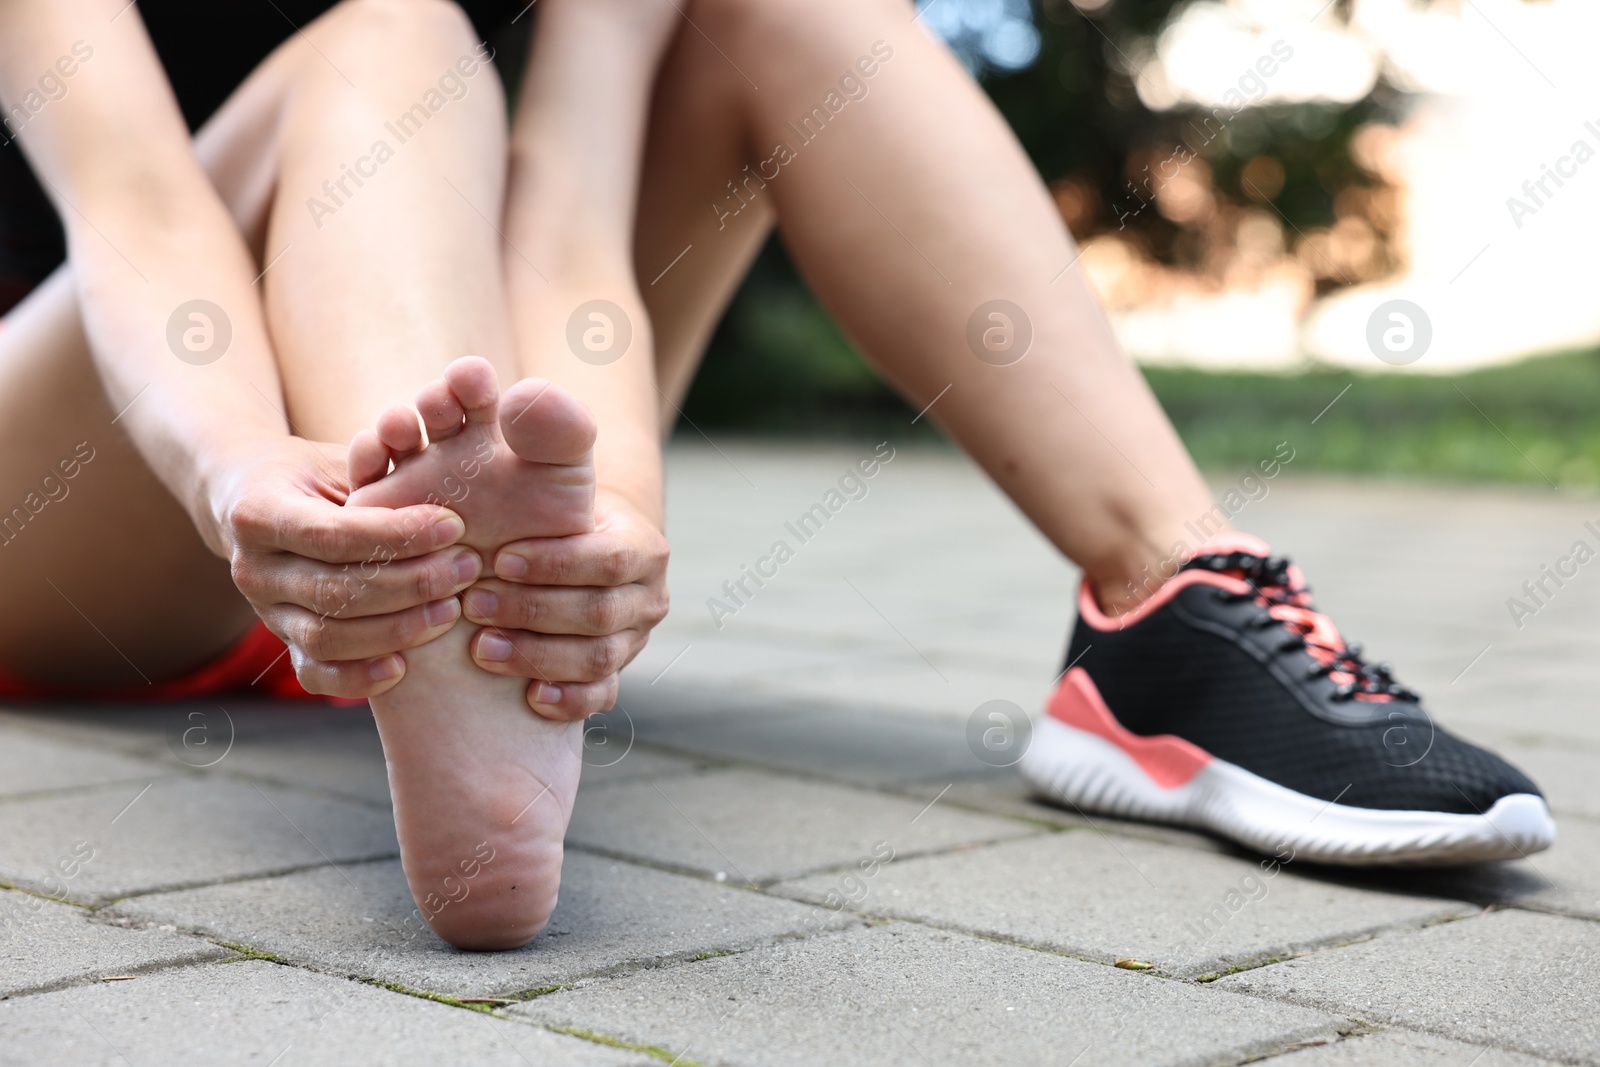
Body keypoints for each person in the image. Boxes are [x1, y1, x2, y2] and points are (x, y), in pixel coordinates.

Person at [0, 0, 1551, 951]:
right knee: (390, 36)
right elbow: (135, 205)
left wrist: (610, 538)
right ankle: (417, 588)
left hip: (408, 405)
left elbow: (565, 218)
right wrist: (245, 480)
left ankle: (1171, 605)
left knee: (783, 4)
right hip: (96, 486)